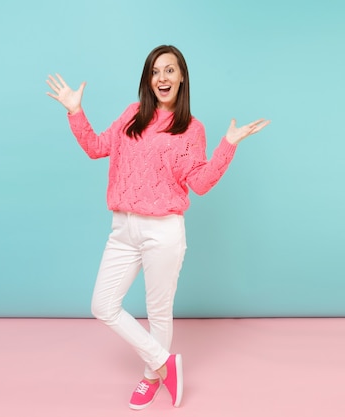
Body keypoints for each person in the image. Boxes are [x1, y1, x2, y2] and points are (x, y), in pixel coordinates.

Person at [46, 44, 269, 410]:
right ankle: (164, 362)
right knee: (103, 304)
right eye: (155, 71)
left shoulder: (191, 130)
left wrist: (228, 145)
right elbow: (96, 147)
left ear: (182, 77)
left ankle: (152, 376)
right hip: (123, 229)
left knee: (159, 311)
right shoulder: (132, 115)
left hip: (163, 230)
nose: (161, 78)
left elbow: (199, 182)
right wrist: (75, 111)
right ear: (148, 79)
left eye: (169, 70)